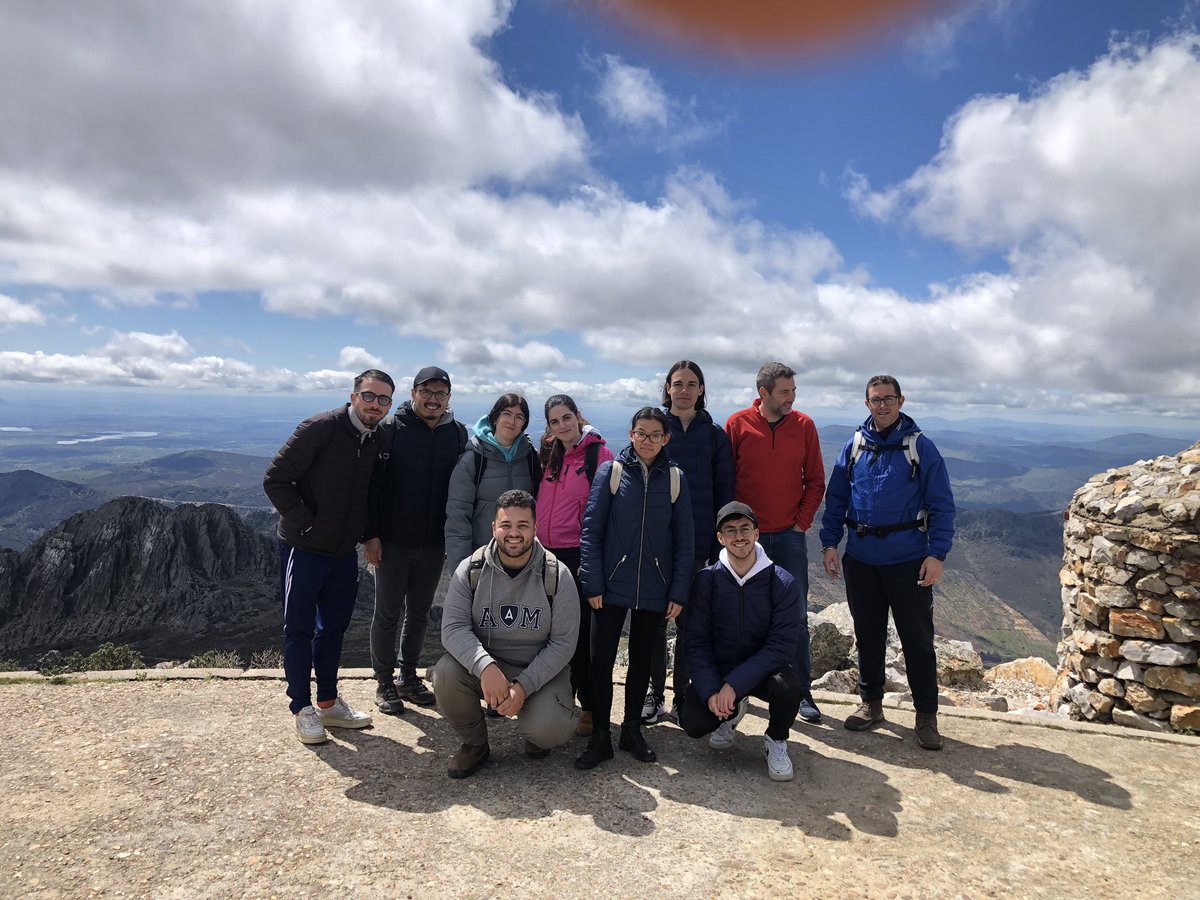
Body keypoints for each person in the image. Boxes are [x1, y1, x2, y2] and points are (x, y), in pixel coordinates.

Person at [819, 375, 955, 750]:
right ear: (866, 404)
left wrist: (937, 553)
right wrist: (829, 543)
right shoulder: (855, 446)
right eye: (875, 400)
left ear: (901, 401)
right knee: (868, 634)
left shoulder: (919, 447)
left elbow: (942, 504)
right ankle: (871, 704)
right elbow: (836, 499)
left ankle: (926, 716)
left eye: (888, 399)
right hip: (861, 559)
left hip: (909, 559)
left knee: (917, 640)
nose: (882, 405)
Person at [263, 369, 392, 745]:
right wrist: (308, 526)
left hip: (342, 554)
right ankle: (301, 707)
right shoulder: (320, 428)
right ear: (353, 396)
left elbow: (369, 492)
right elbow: (275, 480)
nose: (376, 405)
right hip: (304, 550)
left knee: (333, 629)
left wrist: (369, 535)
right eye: (370, 396)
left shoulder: (377, 437)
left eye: (384, 400)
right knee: (299, 629)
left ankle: (329, 702)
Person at [576, 407, 694, 769]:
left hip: (656, 586)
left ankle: (630, 731)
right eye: (641, 433)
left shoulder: (675, 478)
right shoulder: (610, 473)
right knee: (601, 663)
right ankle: (600, 736)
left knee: (641, 661)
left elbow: (684, 540)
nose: (647, 441)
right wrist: (592, 581)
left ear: (666, 439)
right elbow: (592, 531)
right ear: (630, 434)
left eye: (654, 435)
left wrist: (678, 591)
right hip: (610, 586)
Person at [432, 490, 580, 778]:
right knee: (445, 673)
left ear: (535, 528)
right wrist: (485, 667)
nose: (514, 534)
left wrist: (523, 686)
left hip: (538, 671)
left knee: (550, 730)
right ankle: (475, 744)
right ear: (494, 528)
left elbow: (563, 643)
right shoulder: (471, 570)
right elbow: (452, 628)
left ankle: (535, 732)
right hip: (488, 668)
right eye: (506, 525)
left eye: (523, 525)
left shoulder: (557, 576)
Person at [725, 361, 825, 723]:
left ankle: (802, 693)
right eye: (785, 392)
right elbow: (727, 480)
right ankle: (738, 690)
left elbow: (815, 480)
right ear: (763, 393)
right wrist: (734, 529)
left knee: (795, 615)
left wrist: (800, 524)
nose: (792, 398)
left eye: (794, 391)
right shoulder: (737, 424)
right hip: (743, 540)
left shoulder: (804, 426)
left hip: (787, 537)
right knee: (741, 615)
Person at [366, 366, 467, 716]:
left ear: (449, 398)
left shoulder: (457, 434)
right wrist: (371, 536)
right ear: (413, 394)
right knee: (387, 613)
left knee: (420, 613)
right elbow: (372, 487)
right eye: (427, 392)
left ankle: (408, 677)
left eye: (441, 393)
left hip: (432, 544)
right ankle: (383, 682)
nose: (433, 399)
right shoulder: (391, 430)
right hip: (392, 542)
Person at [681, 502, 802, 782]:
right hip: (721, 668)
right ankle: (730, 712)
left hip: (763, 671)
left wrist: (734, 685)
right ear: (720, 538)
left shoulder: (782, 583)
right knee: (694, 722)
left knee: (789, 687)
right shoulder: (706, 581)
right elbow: (696, 642)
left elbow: (781, 647)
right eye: (731, 531)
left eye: (745, 529)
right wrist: (713, 690)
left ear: (757, 534)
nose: (739, 537)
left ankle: (776, 739)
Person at [644, 360, 735, 725]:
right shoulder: (654, 429)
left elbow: (724, 490)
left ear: (701, 390)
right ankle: (655, 692)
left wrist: (721, 545)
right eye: (677, 383)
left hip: (699, 546)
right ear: (667, 388)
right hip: (656, 544)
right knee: (652, 623)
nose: (684, 389)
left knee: (690, 626)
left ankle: (682, 693)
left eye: (691, 383)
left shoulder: (714, 434)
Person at [535, 394, 614, 737]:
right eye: (555, 421)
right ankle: (561, 699)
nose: (563, 425)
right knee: (553, 632)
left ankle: (591, 708)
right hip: (546, 554)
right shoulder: (552, 455)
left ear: (578, 416)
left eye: (567, 417)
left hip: (579, 555)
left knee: (581, 637)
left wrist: (593, 559)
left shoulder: (600, 455)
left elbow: (609, 512)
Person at [445, 392, 541, 573]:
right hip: (481, 557)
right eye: (506, 414)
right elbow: (458, 517)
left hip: (523, 558)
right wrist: (460, 568)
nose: (512, 421)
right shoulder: (472, 459)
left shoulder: (530, 458)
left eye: (519, 417)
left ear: (524, 425)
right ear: (495, 418)